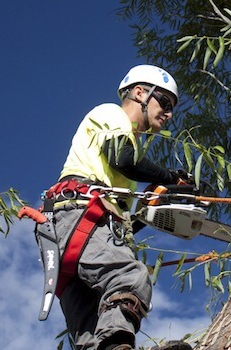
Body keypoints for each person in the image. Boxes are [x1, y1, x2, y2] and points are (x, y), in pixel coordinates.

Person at [51, 65, 192, 350]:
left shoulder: (126, 160)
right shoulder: (110, 114)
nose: (169, 113)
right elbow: (122, 159)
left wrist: (153, 205)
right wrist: (170, 178)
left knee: (91, 334)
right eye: (164, 102)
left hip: (73, 234)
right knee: (129, 277)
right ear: (140, 92)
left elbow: (125, 226)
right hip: (79, 217)